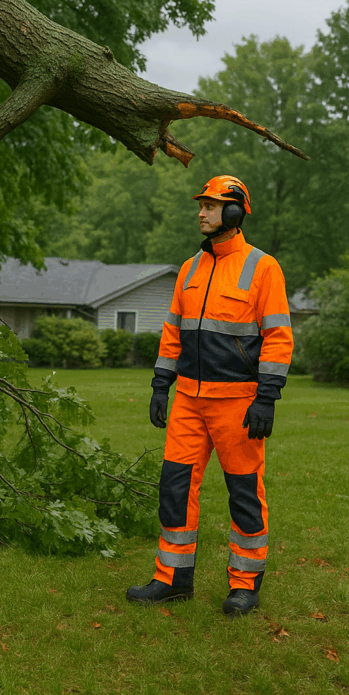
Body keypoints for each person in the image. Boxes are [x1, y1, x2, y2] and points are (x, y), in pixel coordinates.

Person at [126, 175, 293, 617]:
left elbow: (278, 336)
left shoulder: (263, 267)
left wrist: (266, 397)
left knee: (243, 492)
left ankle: (245, 585)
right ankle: (172, 579)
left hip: (238, 403)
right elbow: (172, 333)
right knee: (175, 490)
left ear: (234, 213)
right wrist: (162, 385)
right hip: (188, 402)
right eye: (201, 205)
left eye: (211, 205)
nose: (201, 212)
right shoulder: (190, 268)